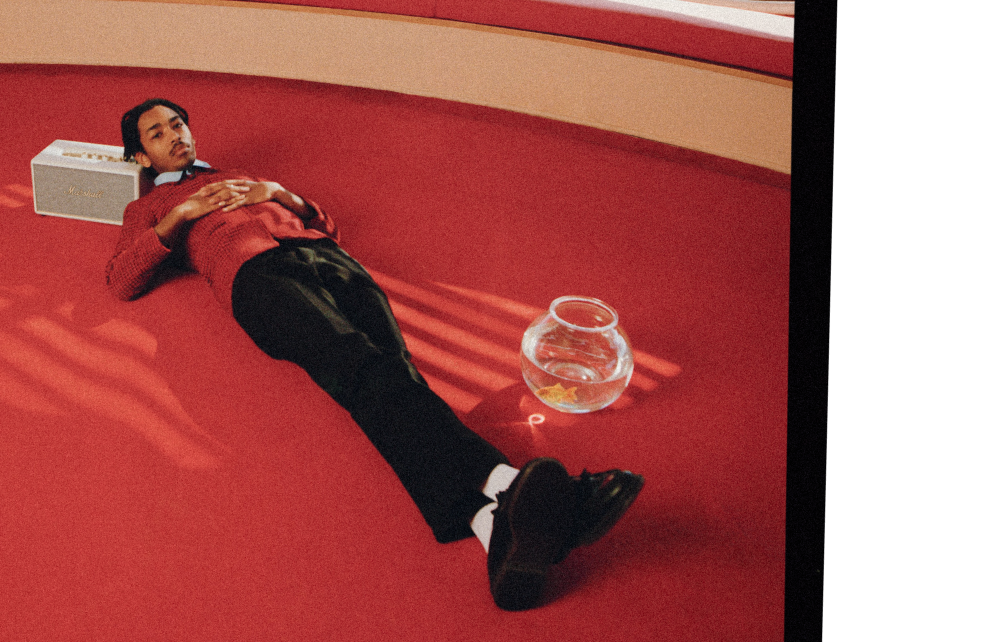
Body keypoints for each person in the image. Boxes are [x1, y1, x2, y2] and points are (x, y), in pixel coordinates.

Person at [106, 98, 644, 611]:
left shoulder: (243, 176)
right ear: (138, 156)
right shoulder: (148, 205)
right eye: (157, 132)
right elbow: (122, 278)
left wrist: (279, 193)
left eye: (178, 123)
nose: (175, 135)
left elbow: (327, 224)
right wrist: (182, 216)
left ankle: (493, 533)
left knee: (393, 375)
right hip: (254, 276)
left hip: (329, 261)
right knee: (356, 365)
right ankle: (517, 487)